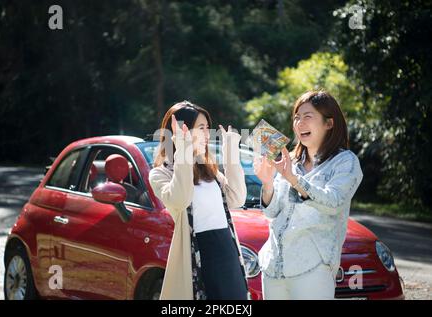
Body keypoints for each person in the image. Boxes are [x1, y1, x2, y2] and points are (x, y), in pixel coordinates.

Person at [254, 90, 363, 300]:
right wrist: (268, 184)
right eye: (296, 117)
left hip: (314, 267)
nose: (299, 123)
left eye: (307, 116)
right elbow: (272, 211)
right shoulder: (290, 162)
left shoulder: (345, 162)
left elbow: (334, 202)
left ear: (329, 123)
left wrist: (293, 179)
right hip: (274, 266)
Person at [149, 100, 249, 300]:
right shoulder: (160, 174)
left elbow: (237, 198)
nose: (207, 134)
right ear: (180, 131)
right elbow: (180, 199)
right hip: (199, 254)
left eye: (207, 128)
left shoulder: (208, 170)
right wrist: (183, 150)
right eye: (201, 128)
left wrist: (231, 153)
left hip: (226, 251)